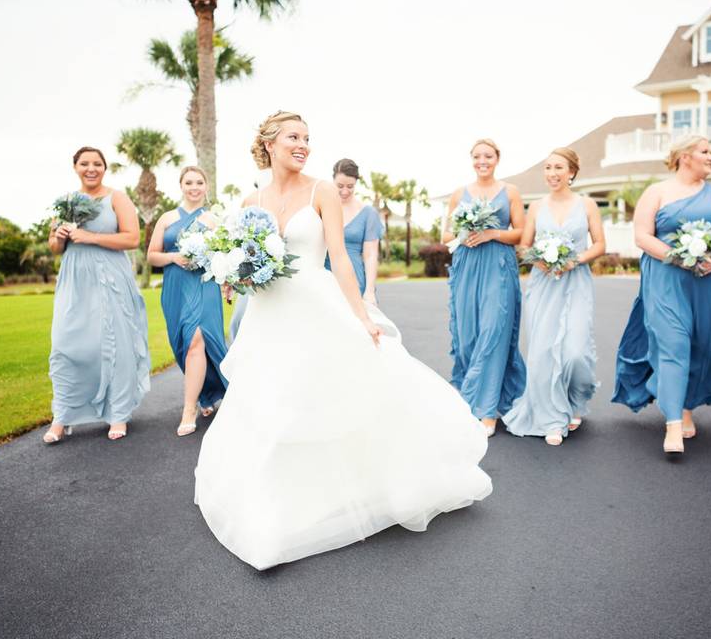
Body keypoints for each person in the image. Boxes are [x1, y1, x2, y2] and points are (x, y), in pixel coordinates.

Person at [194, 111, 492, 571]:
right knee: (270, 404)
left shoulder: (323, 190)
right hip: (268, 316)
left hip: (313, 307)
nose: (303, 144)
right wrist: (234, 277)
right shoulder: (250, 197)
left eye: (307, 138)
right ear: (269, 144)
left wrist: (362, 314)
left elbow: (338, 257)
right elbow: (237, 255)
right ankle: (271, 502)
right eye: (293, 136)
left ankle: (326, 498)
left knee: (319, 400)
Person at [612, 135, 711, 454]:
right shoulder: (657, 192)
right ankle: (672, 425)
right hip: (666, 276)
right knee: (674, 342)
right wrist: (678, 256)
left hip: (709, 278)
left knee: (701, 343)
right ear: (685, 157)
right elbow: (642, 236)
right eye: (705, 152)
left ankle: (685, 407)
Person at [43, 146, 150, 443]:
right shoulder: (66, 202)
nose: (91, 168)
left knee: (114, 343)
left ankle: (118, 413)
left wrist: (91, 236)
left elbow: (132, 238)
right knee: (65, 345)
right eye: (85, 163)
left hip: (110, 277)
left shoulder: (117, 198)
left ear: (105, 167)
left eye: (97, 163)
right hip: (74, 279)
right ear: (75, 166)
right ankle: (62, 417)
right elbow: (54, 246)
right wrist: (59, 237)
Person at [502, 148, 604, 445]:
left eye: (559, 167)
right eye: (548, 168)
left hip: (576, 281)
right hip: (543, 284)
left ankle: (575, 398)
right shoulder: (536, 207)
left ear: (572, 172)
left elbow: (600, 244)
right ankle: (552, 418)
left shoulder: (587, 205)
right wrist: (539, 259)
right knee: (543, 352)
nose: (552, 173)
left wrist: (576, 259)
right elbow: (523, 246)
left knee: (575, 352)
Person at [441, 139, 527, 436]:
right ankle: (469, 398)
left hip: (498, 267)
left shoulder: (511, 192)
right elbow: (445, 235)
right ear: (471, 160)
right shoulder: (458, 194)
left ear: (497, 158)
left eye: (488, 156)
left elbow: (521, 233)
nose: (482, 161)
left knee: (493, 331)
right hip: (467, 265)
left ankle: (487, 410)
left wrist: (492, 233)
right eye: (477, 156)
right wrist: (464, 232)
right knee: (467, 337)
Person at [146, 166, 228, 437]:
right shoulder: (167, 218)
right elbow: (152, 256)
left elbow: (225, 257)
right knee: (183, 343)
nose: (194, 187)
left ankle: (188, 409)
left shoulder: (214, 221)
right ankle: (207, 392)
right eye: (189, 182)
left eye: (199, 182)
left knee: (197, 340)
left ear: (206, 186)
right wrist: (174, 257)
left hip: (204, 285)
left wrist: (226, 281)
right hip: (175, 287)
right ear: (181, 186)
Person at [324, 158, 383, 304]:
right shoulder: (323, 208)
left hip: (354, 278)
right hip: (326, 276)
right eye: (340, 186)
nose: (345, 191)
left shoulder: (368, 213)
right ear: (333, 181)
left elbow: (370, 255)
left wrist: (369, 291)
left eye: (350, 186)